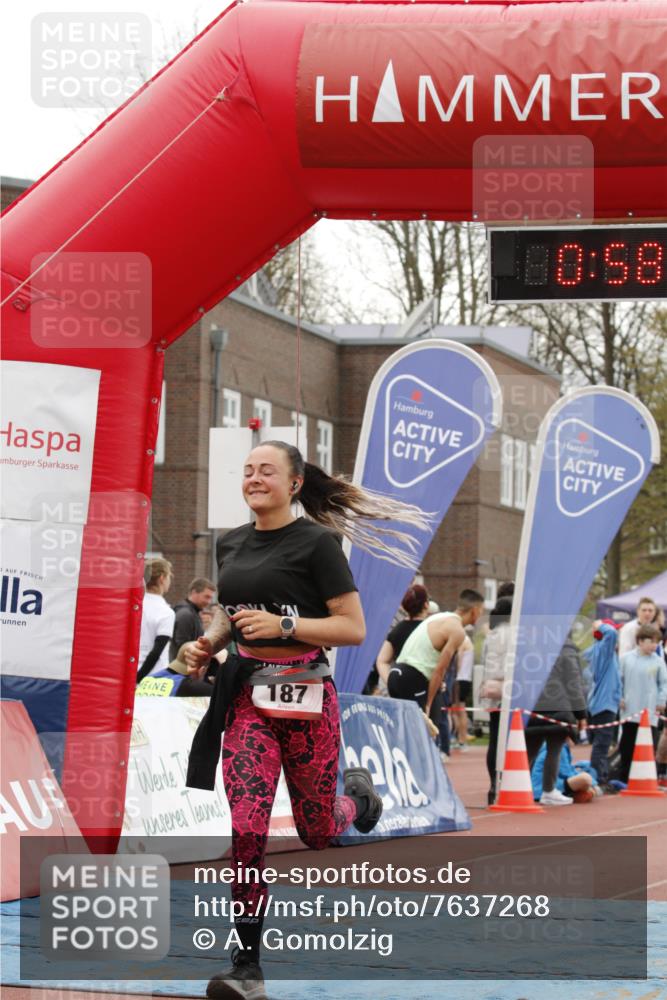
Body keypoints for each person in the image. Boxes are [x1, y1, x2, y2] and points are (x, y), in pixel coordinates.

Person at [182, 440, 429, 1000]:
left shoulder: (318, 543)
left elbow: (353, 629)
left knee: (318, 833)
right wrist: (209, 641)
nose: (253, 478)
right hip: (247, 702)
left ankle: (358, 801)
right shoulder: (231, 544)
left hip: (308, 701)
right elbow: (233, 612)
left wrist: (286, 627)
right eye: (246, 470)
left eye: (266, 470)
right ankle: (247, 967)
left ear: (294, 484)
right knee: (247, 827)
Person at [387, 590, 485, 729]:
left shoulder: (438, 617)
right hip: (413, 678)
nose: (481, 615)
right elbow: (440, 669)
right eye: (482, 611)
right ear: (475, 610)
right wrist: (428, 704)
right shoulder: (457, 631)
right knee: (423, 734)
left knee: (402, 731)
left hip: (396, 673)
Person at [524, 635, 588, 806]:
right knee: (554, 751)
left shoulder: (532, 644)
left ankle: (513, 788)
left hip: (533, 704)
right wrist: (581, 713)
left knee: (528, 752)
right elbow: (574, 683)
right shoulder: (567, 649)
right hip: (559, 706)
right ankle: (549, 791)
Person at [618, 623, 667, 782]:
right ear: (640, 641)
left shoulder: (658, 661)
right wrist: (619, 697)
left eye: (656, 642)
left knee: (648, 747)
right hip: (630, 712)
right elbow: (619, 681)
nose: (654, 645)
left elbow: (664, 683)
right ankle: (624, 777)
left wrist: (661, 700)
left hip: (650, 713)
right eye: (651, 641)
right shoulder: (626, 659)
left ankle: (645, 779)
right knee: (627, 746)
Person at [480, 595, 513, 805]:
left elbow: (484, 662)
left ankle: (494, 785)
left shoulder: (490, 636)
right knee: (510, 740)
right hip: (510, 690)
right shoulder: (516, 634)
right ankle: (506, 782)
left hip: (492, 691)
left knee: (494, 740)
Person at [585, 620, 621, 786]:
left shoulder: (598, 651)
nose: (617, 637)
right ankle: (598, 778)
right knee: (602, 744)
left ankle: (599, 775)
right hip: (604, 704)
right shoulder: (604, 650)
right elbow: (612, 633)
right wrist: (600, 625)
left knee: (601, 743)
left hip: (602, 702)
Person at [375, 584, 430, 687]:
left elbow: (382, 661)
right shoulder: (431, 628)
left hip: (402, 688)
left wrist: (392, 685)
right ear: (426, 604)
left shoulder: (397, 630)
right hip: (425, 690)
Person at [136, 558, 175, 683]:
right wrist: (138, 678)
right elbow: (157, 651)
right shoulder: (166, 612)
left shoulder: (133, 607)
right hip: (155, 679)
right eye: (169, 576)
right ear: (162, 578)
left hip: (130, 672)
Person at [531, 739, 599, 803]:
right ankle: (575, 794)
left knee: (588, 772)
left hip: (544, 787)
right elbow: (566, 773)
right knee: (586, 778)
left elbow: (567, 770)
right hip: (544, 789)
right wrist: (592, 783)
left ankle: (578, 793)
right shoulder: (559, 746)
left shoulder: (556, 744)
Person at [169, 577, 216, 661]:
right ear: (194, 592)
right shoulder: (186, 614)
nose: (209, 602)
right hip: (182, 667)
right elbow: (182, 646)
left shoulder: (192, 612)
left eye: (210, 598)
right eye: (206, 597)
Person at [451, 635, 474, 750]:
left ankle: (461, 739)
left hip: (460, 678)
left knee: (457, 710)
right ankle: (460, 739)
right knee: (459, 710)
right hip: (465, 678)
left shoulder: (462, 639)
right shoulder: (468, 640)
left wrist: (455, 673)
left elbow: (459, 657)